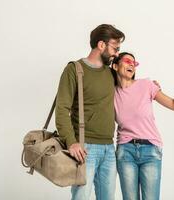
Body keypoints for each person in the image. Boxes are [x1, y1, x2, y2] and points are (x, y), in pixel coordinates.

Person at [111, 52, 174, 200]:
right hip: (125, 151)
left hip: (151, 151)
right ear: (115, 65)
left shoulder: (146, 85)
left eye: (134, 63)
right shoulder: (111, 92)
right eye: (127, 61)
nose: (131, 65)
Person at [55, 24, 125, 200]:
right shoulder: (74, 70)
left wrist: (151, 87)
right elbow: (62, 109)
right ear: (101, 45)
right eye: (115, 48)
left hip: (109, 148)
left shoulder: (111, 74)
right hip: (85, 148)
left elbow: (129, 90)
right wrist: (71, 142)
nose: (117, 54)